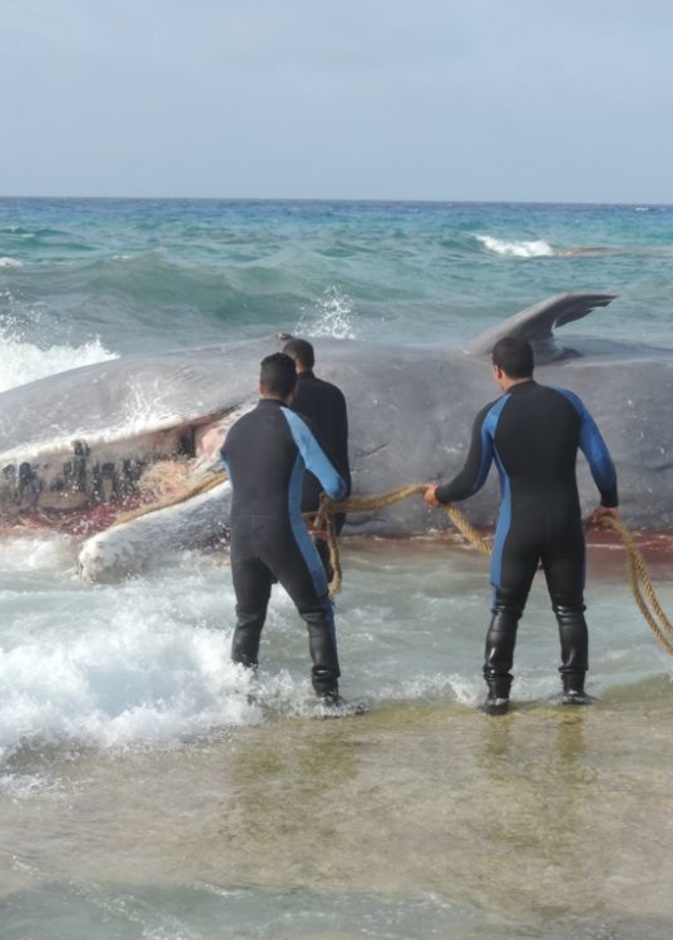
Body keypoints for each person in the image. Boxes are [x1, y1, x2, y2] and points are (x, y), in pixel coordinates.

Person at [424, 336, 619, 716]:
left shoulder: (493, 414)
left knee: (505, 610)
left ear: (497, 371)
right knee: (570, 609)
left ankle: (498, 696)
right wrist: (609, 501)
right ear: (533, 366)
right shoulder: (568, 402)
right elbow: (601, 461)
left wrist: (440, 495)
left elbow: (472, 479)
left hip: (519, 529)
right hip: (565, 524)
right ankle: (574, 691)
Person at [220, 352, 348, 704]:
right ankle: (328, 701)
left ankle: (241, 702)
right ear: (293, 389)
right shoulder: (296, 422)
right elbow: (335, 486)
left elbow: (240, 482)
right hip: (281, 532)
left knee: (248, 617)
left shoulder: (235, 429)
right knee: (317, 611)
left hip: (241, 537)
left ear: (259, 387)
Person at [281, 338, 351, 578]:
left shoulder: (291, 398)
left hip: (305, 495)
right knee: (324, 564)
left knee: (297, 568)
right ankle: (327, 609)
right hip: (337, 493)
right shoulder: (335, 393)